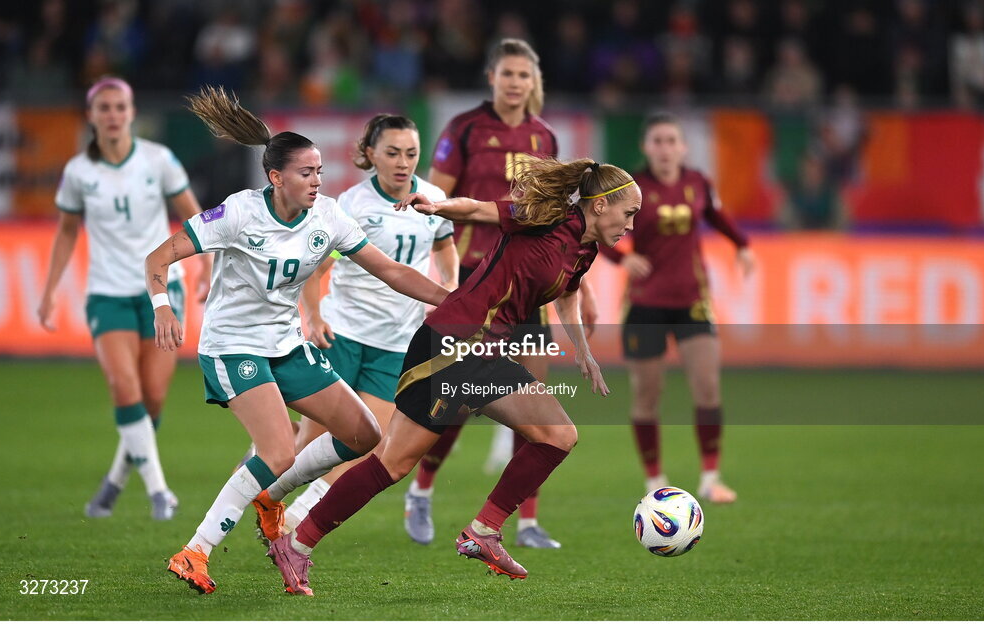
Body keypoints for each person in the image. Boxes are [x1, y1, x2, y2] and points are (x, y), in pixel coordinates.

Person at [265, 157, 641, 595]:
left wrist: (582, 348)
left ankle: (484, 530)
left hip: (487, 353)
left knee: (558, 434)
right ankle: (297, 544)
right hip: (452, 344)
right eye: (628, 213)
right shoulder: (546, 218)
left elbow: (569, 290)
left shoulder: (585, 249)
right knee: (393, 462)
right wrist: (437, 207)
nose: (631, 224)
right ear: (599, 205)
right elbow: (479, 209)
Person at [150, 87, 448, 595]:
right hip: (232, 345)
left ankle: (271, 499)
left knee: (365, 434)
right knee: (277, 449)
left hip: (286, 344)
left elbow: (391, 271)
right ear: (275, 177)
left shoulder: (328, 216)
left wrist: (452, 303)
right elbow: (158, 260)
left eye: (319, 172)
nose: (316, 181)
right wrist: (163, 307)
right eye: (305, 173)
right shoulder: (239, 213)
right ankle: (195, 550)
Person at [405, 37, 597, 550]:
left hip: (529, 286)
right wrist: (439, 275)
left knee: (535, 404)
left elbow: (563, 222)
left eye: (524, 75)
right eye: (507, 73)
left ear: (535, 83)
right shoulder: (465, 128)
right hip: (474, 278)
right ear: (492, 77)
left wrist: (580, 285)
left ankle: (526, 521)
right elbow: (438, 200)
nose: (515, 83)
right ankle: (422, 491)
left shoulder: (545, 136)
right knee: (459, 404)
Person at [261, 114, 459, 534]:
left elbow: (445, 246)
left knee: (367, 445)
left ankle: (294, 519)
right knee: (312, 444)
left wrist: (452, 283)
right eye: (392, 153)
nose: (403, 162)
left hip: (396, 341)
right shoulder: (352, 205)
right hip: (344, 333)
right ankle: (267, 493)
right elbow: (315, 269)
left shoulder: (434, 198)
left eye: (411, 153)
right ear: (370, 154)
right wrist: (313, 317)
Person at [38, 76, 211, 521]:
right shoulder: (79, 172)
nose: (113, 115)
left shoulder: (158, 160)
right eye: (105, 108)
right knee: (123, 387)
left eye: (120, 107)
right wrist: (50, 290)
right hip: (107, 294)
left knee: (151, 397)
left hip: (161, 291)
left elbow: (193, 214)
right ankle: (160, 492)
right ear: (92, 116)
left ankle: (114, 482)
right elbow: (66, 232)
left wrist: (207, 265)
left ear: (132, 113)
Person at [600, 112, 754, 504]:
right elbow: (597, 232)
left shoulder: (697, 182)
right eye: (657, 141)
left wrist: (743, 245)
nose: (665, 149)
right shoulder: (629, 190)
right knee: (647, 395)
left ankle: (710, 477)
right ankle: (654, 480)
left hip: (692, 301)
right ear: (645, 147)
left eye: (672, 141)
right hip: (645, 304)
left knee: (707, 388)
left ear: (683, 147)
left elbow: (717, 216)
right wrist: (622, 259)